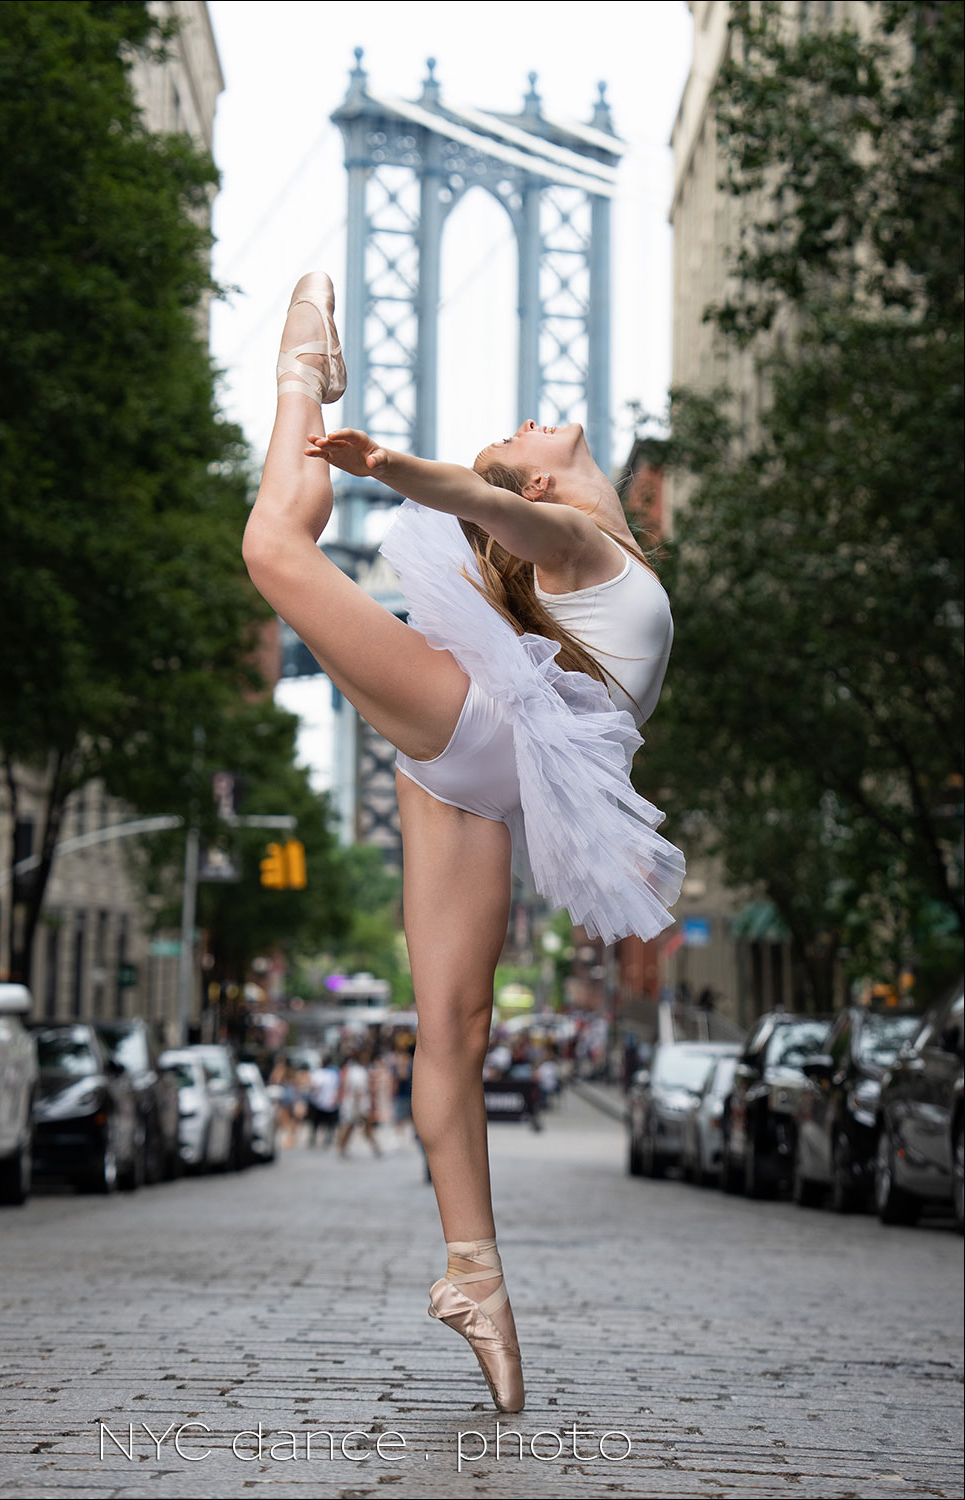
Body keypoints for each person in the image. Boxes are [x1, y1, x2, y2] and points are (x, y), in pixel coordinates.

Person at [241, 271, 684, 1415]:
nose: (539, 418)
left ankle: (303, 371)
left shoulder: (582, 541)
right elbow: (501, 516)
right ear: (550, 475)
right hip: (486, 755)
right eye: (527, 436)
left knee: (280, 554)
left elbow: (503, 515)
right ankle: (475, 1279)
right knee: (452, 1025)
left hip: (491, 750)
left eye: (520, 439)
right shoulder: (582, 544)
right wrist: (405, 474)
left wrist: (400, 470)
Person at [306, 1053, 340, 1148]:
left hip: (329, 1102)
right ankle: (313, 1138)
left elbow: (337, 1087)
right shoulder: (317, 1073)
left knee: (329, 1123)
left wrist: (336, 1098)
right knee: (315, 1122)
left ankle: (328, 1139)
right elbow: (312, 1086)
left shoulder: (333, 1074)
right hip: (317, 1102)